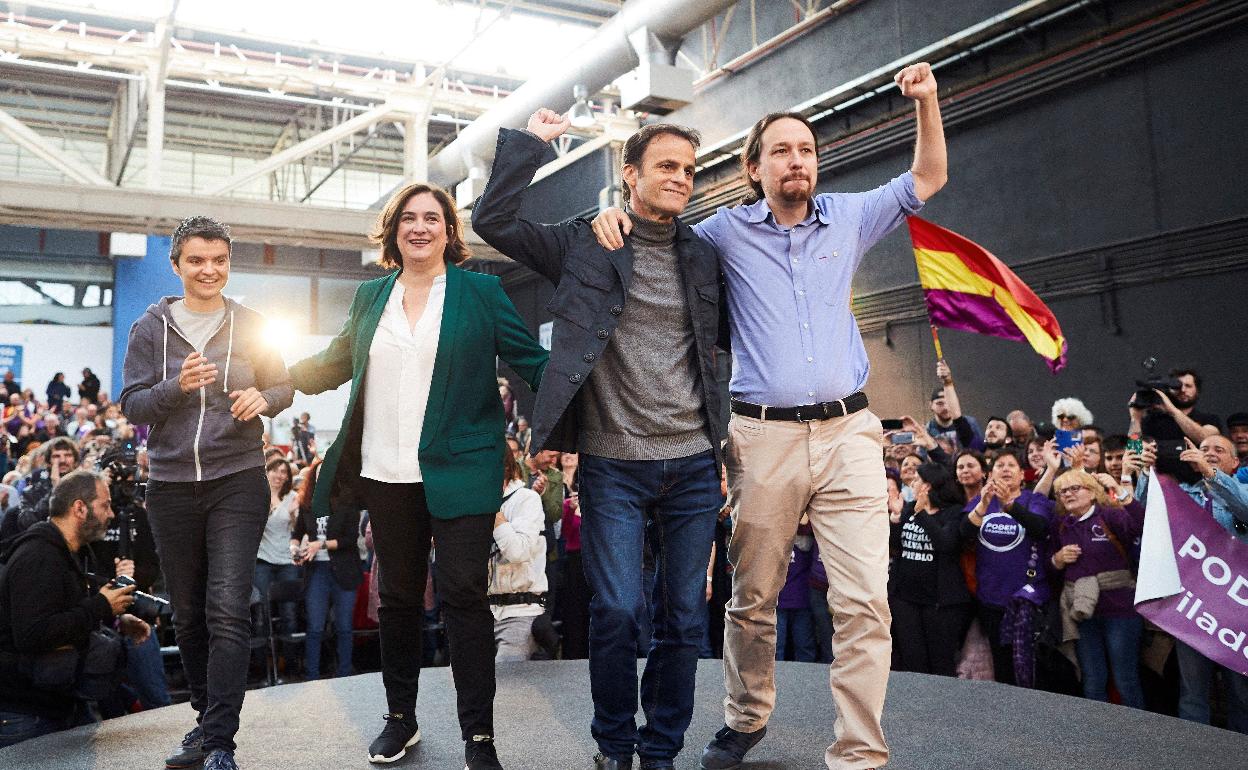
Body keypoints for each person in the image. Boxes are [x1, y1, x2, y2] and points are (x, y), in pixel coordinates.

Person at [593, 61, 946, 770]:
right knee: (753, 597)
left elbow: (927, 178)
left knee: (864, 602)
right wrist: (610, 212)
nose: (797, 160)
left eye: (806, 149)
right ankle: (746, 716)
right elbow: (654, 230)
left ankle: (859, 751)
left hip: (849, 433)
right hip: (761, 436)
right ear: (755, 169)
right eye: (781, 150)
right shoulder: (720, 234)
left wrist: (928, 102)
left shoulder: (850, 216)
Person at [474, 113, 724, 770]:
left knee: (684, 618)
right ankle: (615, 744)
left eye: (689, 170)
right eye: (666, 166)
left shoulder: (704, 255)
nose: (681, 178)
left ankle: (661, 747)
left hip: (694, 463)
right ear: (630, 173)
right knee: (615, 609)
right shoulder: (585, 244)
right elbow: (493, 221)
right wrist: (532, 145)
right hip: (613, 463)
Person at [289, 181, 546, 769]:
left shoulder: (480, 292)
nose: (420, 227)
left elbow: (531, 361)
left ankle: (479, 736)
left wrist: (590, 390)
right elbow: (333, 362)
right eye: (408, 217)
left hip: (462, 469)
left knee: (463, 595)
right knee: (399, 599)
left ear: (449, 231)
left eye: (432, 218)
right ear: (393, 230)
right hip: (386, 470)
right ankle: (399, 719)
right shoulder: (370, 297)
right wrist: (274, 378)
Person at [120, 215, 294, 770]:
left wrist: (264, 399)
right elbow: (132, 404)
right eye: (196, 260)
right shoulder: (150, 329)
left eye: (219, 260)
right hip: (171, 485)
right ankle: (204, 720)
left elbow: (282, 385)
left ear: (228, 263)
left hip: (237, 479)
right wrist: (176, 387)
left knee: (226, 607)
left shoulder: (251, 324)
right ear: (177, 265)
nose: (209, 270)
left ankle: (220, 742)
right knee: (190, 614)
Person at [0, 470, 149, 747]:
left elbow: (65, 615)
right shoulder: (39, 556)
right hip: (27, 714)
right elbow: (32, 634)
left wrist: (116, 620)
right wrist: (101, 607)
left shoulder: (67, 553)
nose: (111, 514)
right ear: (79, 508)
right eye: (105, 505)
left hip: (59, 704)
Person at [1136, 434, 1248, 731]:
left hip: (1238, 612)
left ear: (1235, 462)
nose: (1209, 452)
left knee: (1241, 695)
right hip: (1195, 609)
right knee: (1192, 694)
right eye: (1204, 448)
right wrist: (1144, 471)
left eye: (1218, 449)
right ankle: (1195, 752)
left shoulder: (1243, 491)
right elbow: (1146, 516)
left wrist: (1212, 475)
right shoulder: (1183, 494)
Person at [1048, 469, 1146, 708]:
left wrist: (1119, 489)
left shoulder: (1109, 516)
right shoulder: (1061, 525)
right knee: (1092, 679)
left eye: (1074, 488)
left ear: (1092, 493)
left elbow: (1141, 524)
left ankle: (1138, 729)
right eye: (1062, 491)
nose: (1067, 494)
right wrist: (1057, 560)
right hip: (1082, 613)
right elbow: (1046, 567)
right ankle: (1098, 729)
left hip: (1119, 612)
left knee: (1125, 679)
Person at [961, 448, 1054, 687]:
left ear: (1022, 475)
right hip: (990, 598)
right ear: (990, 474)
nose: (1005, 469)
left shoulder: (1033, 499)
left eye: (1011, 465)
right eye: (999, 466)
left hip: (1026, 599)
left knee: (1030, 666)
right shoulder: (981, 501)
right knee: (1002, 666)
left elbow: (1039, 528)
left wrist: (1010, 506)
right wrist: (983, 505)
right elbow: (963, 534)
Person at [888, 462, 973, 677]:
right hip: (905, 598)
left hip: (940, 602)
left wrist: (922, 513)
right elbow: (896, 546)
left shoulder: (953, 512)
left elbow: (945, 543)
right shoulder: (909, 508)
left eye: (917, 480)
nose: (912, 483)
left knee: (940, 662)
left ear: (928, 486)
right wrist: (896, 518)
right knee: (912, 659)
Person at [291, 461, 362, 680]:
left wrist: (320, 545)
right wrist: (294, 549)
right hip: (317, 570)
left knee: (344, 626)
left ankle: (345, 673)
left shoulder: (348, 502)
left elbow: (350, 539)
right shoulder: (307, 503)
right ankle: (312, 675)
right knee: (315, 626)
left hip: (344, 569)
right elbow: (296, 533)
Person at [489, 446, 547, 661]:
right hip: (477, 613)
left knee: (507, 676)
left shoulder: (526, 499)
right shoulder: (467, 501)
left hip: (520, 611)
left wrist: (494, 512)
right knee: (463, 677)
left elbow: (518, 552)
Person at [254, 458, 300, 637]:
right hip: (262, 560)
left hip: (287, 560)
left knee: (289, 612)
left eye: (283, 472)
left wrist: (293, 515)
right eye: (275, 470)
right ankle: (264, 654)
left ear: (288, 477)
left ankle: (289, 654)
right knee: (262, 612)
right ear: (267, 472)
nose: (279, 475)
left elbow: (300, 530)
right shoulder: (257, 497)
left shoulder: (293, 497)